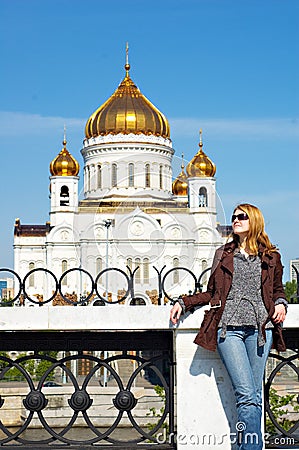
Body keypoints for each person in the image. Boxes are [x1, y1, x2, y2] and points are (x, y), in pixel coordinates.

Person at [170, 203, 287, 450]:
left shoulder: (271, 256)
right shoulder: (223, 254)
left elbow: (278, 289)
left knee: (255, 396)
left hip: (260, 331)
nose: (235, 220)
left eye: (241, 216)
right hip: (229, 329)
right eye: (234, 216)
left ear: (254, 220)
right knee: (246, 396)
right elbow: (212, 292)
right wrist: (184, 301)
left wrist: (281, 303)